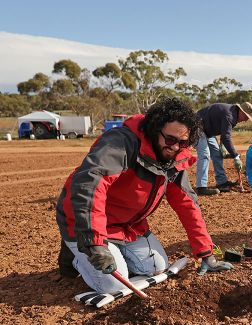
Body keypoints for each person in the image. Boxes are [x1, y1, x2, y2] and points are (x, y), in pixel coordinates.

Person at [55, 98, 233, 294]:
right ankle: (76, 255)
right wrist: (93, 241)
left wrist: (205, 251)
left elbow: (186, 203)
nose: (175, 147)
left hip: (127, 225)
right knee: (114, 286)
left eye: (182, 142)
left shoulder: (173, 157)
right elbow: (89, 184)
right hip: (83, 220)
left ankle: (111, 250)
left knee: (157, 267)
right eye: (171, 139)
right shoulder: (121, 143)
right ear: (155, 129)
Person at [195, 102, 252, 195]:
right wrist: (235, 156)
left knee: (217, 153)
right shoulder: (230, 115)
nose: (245, 120)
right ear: (242, 112)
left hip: (207, 131)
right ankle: (201, 187)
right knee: (204, 154)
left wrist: (222, 146)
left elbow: (224, 133)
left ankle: (221, 182)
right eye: (246, 117)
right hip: (197, 126)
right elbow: (226, 137)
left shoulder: (233, 114)